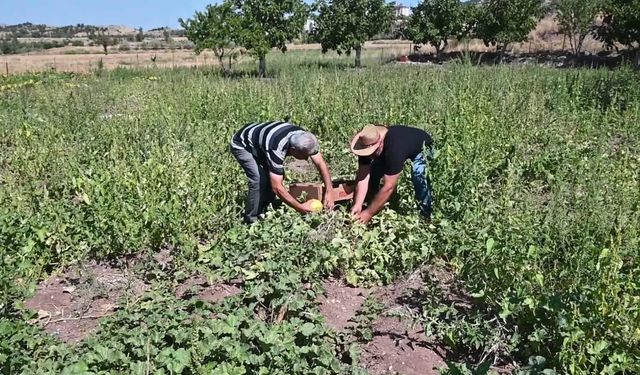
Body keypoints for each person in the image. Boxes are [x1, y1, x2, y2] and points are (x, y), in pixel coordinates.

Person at [230, 120, 335, 224]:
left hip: (262, 141)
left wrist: (329, 191)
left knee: (277, 175)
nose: (307, 158)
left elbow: (321, 164)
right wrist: (300, 207)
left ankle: (266, 207)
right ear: (293, 150)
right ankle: (251, 218)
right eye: (304, 155)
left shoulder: (305, 138)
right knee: (259, 179)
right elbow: (276, 187)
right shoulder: (276, 148)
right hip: (242, 144)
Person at [349, 124, 435, 224]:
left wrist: (369, 213)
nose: (370, 156)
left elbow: (389, 187)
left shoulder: (394, 149)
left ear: (380, 144)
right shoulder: (365, 145)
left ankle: (426, 215)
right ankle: (371, 200)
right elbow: (362, 177)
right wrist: (357, 204)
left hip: (424, 147)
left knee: (418, 175)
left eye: (372, 152)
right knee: (374, 171)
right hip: (404, 143)